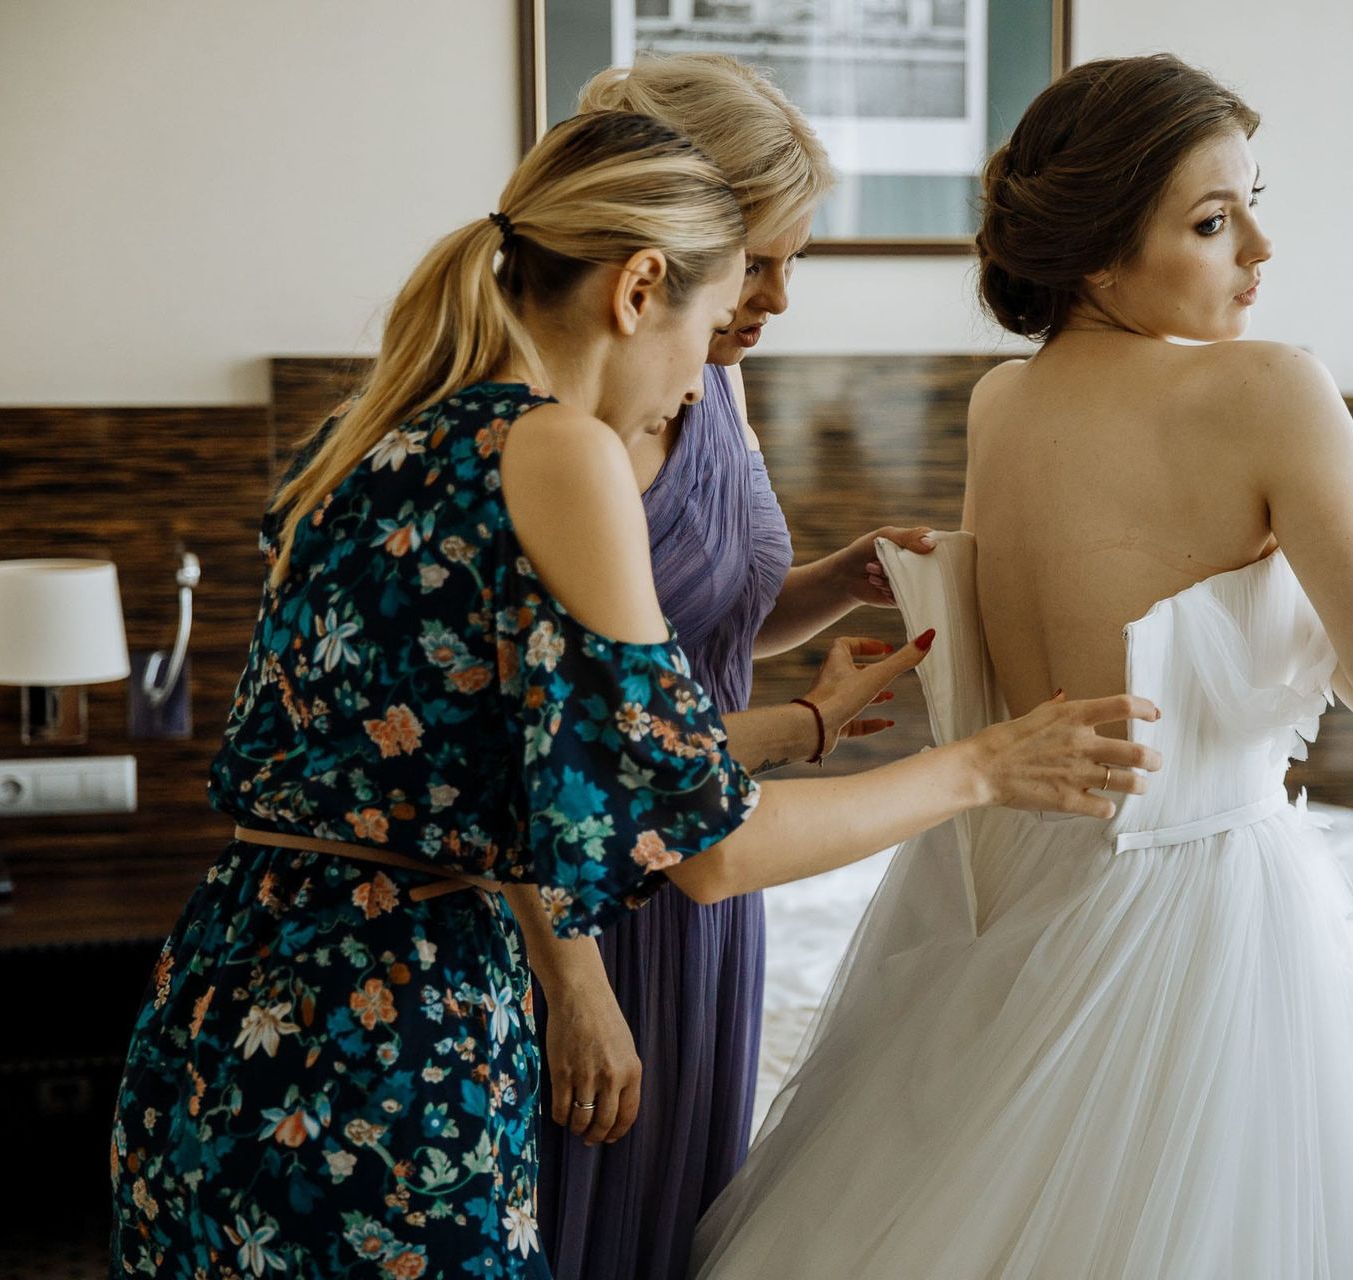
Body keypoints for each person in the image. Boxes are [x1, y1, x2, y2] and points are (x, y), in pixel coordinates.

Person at [109, 108, 1158, 1278]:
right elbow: (704, 847)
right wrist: (983, 765)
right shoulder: (557, 449)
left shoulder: (375, 442)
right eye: (712, 326)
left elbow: (570, 767)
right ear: (639, 286)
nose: (700, 385)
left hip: (220, 1009)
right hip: (388, 1034)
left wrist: (807, 723)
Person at [692, 56, 1353, 1278]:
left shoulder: (1000, 403)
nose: (1262, 251)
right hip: (1199, 895)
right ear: (1094, 259)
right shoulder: (1274, 387)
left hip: (1005, 876)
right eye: (1214, 221)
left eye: (1252, 204)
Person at [517, 54, 930, 1280]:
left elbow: (694, 635)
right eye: (761, 261)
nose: (782, 297)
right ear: (665, 249)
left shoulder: (711, 377)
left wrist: (830, 580)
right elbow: (540, 743)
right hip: (592, 890)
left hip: (707, 869)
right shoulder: (563, 434)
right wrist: (572, 980)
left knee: (677, 1209)